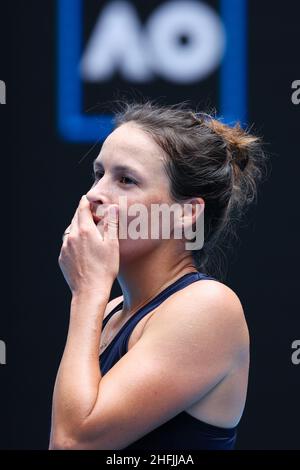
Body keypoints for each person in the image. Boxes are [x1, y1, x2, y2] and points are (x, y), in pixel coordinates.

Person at [49, 101, 266, 450]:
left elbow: (71, 442)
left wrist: (87, 293)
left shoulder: (208, 307)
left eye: (125, 180)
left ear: (186, 213)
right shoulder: (110, 312)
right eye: (98, 173)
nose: (94, 195)